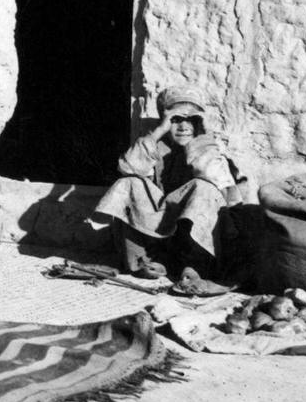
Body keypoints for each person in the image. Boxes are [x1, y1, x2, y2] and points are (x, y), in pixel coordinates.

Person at [90, 87, 242, 280]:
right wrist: (158, 132)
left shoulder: (208, 146)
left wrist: (201, 138)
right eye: (176, 120)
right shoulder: (155, 144)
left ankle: (195, 265)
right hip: (159, 225)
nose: (184, 127)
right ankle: (142, 260)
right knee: (127, 183)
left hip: (193, 232)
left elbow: (213, 176)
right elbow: (127, 167)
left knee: (203, 187)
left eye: (191, 120)